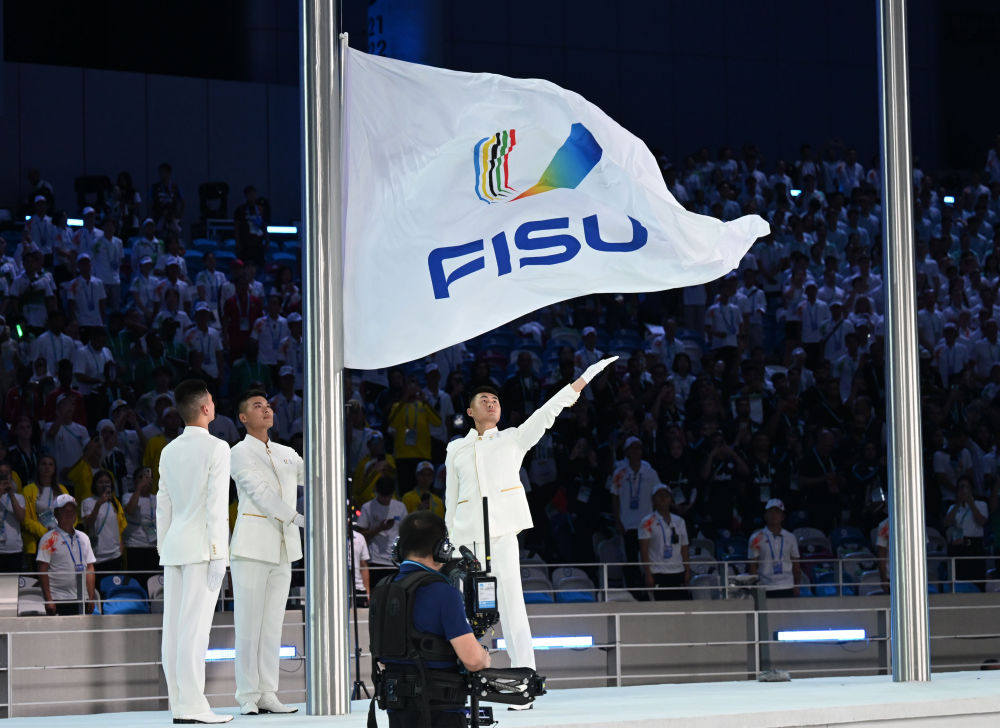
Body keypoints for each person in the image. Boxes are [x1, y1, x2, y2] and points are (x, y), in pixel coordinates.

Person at [445, 356, 616, 671]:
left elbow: (548, 412)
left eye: (495, 399)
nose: (491, 403)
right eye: (484, 400)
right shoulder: (456, 449)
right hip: (467, 538)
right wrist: (452, 545)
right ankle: (460, 675)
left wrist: (585, 378)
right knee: (463, 608)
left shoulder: (513, 438)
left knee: (512, 608)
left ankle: (524, 676)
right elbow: (450, 500)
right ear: (470, 411)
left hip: (503, 534)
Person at [156, 379, 233, 725]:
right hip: (203, 548)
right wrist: (220, 553)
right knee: (194, 629)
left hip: (174, 547)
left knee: (173, 629)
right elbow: (216, 506)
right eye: (212, 401)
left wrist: (163, 547)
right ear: (204, 408)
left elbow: (163, 506)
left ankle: (180, 703)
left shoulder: (168, 450)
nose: (214, 405)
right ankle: (192, 706)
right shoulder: (218, 448)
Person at [369, 511, 490, 728]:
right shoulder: (444, 593)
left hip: (398, 712)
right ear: (442, 549)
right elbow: (473, 661)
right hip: (441, 713)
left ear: (399, 548)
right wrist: (484, 656)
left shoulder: (382, 590)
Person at [229, 390, 304, 715]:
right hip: (251, 545)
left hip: (283, 547)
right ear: (243, 417)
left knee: (272, 623)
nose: (266, 409)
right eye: (257, 406)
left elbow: (313, 476)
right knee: (248, 623)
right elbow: (258, 492)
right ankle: (247, 695)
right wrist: (299, 518)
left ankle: (268, 693)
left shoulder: (287, 452)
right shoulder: (238, 452)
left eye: (269, 405)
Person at [37, 494, 97, 615]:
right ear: (56, 514)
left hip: (82, 597)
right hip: (59, 598)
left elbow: (90, 568)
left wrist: (90, 596)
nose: (69, 513)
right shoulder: (48, 539)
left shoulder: (84, 537)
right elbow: (42, 569)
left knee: (83, 633)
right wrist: (48, 599)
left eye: (72, 510)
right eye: (65, 510)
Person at [637, 484, 690, 600]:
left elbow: (684, 547)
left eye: (666, 495)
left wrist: (687, 571)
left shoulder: (679, 521)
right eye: (659, 495)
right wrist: (648, 574)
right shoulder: (646, 522)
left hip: (677, 570)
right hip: (658, 572)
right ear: (653, 500)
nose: (662, 498)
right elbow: (644, 550)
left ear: (671, 499)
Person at [358, 477, 408, 588]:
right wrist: (379, 529)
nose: (385, 499)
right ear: (376, 491)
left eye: (388, 496)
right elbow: (360, 536)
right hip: (375, 561)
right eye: (383, 496)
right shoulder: (367, 507)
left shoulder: (400, 507)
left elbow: (406, 533)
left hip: (395, 561)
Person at [747, 499, 801, 598]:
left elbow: (796, 563)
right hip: (765, 586)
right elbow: (752, 565)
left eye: (777, 511)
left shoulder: (791, 537)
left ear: (783, 516)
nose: (774, 514)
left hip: (787, 585)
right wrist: (756, 586)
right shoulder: (756, 538)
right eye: (770, 511)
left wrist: (797, 585)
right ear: (765, 515)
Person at [80, 470, 127, 575]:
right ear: (95, 485)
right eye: (101, 482)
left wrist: (121, 545)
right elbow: (89, 524)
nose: (104, 485)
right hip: (98, 555)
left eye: (107, 482)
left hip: (115, 553)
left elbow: (120, 525)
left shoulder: (115, 501)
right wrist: (99, 503)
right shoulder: (88, 502)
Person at [0, 463, 26, 573]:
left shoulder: (19, 497)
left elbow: (21, 518)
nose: (4, 476)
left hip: (14, 548)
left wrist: (11, 494)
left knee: (12, 587)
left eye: (7, 473)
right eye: (1, 473)